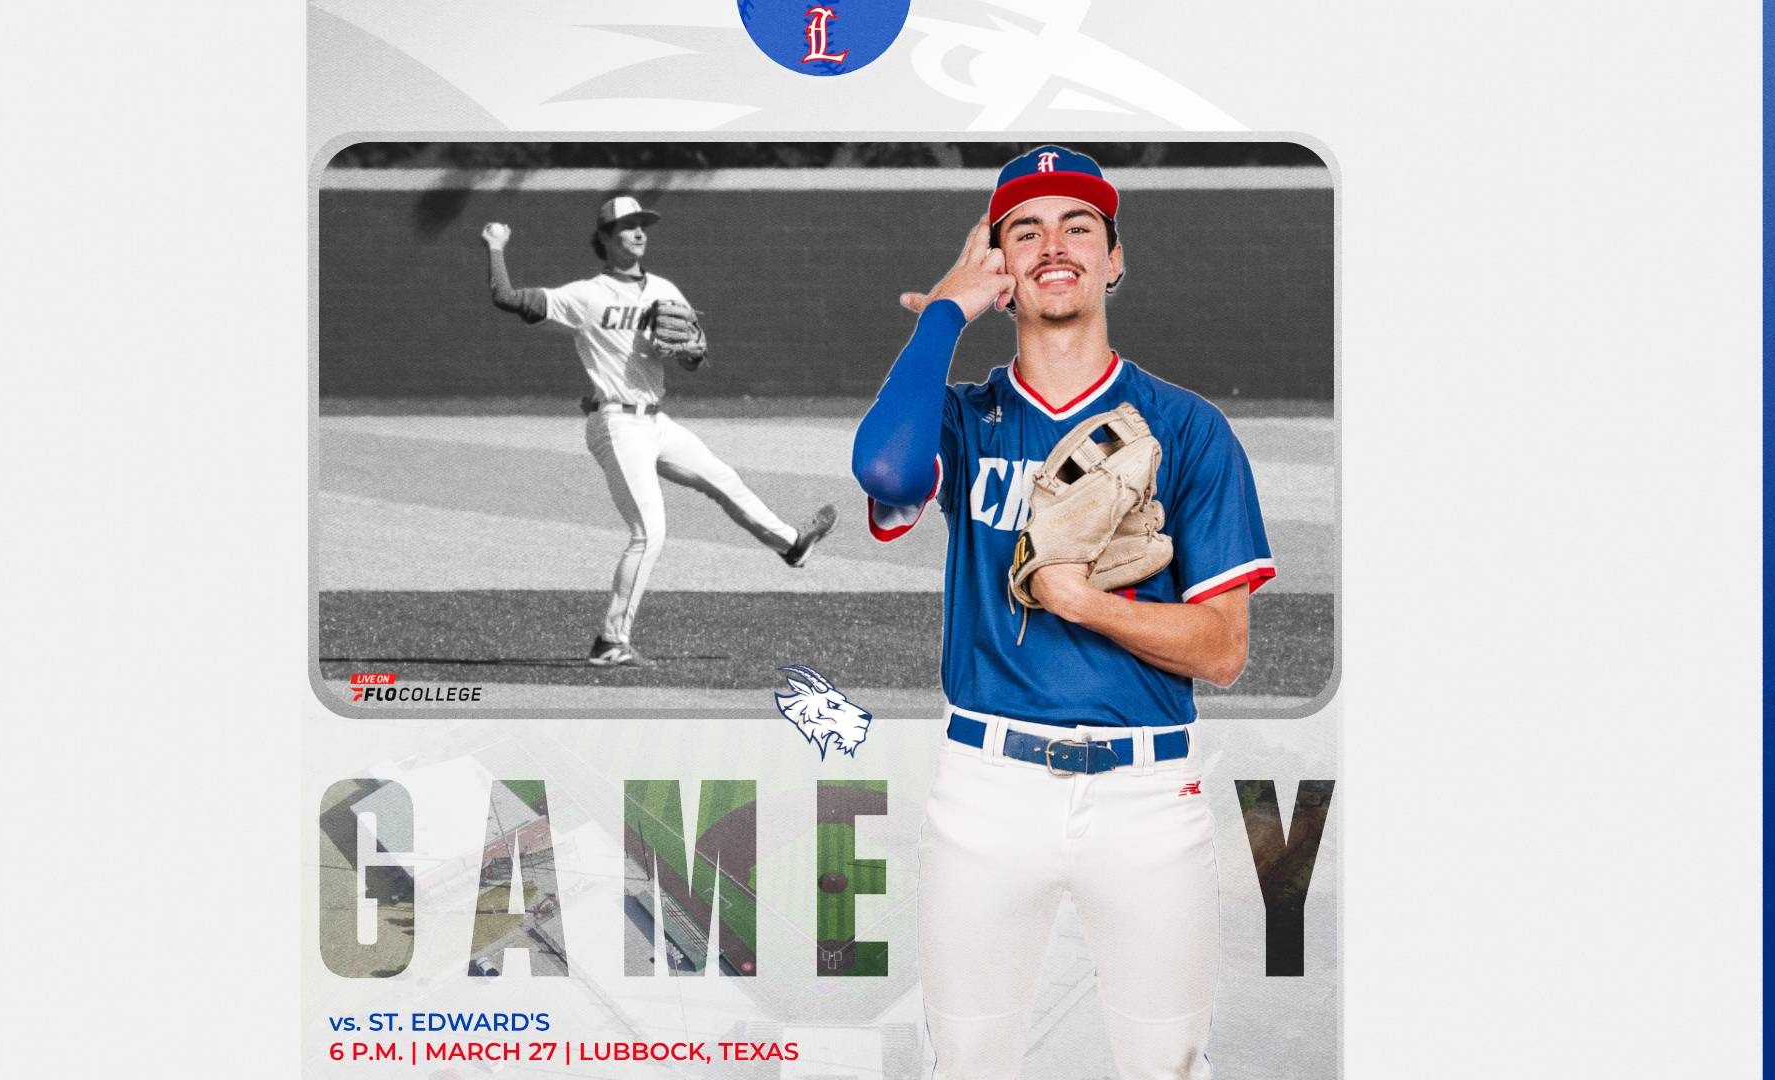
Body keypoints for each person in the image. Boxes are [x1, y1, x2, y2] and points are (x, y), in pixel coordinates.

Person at [850, 146, 1275, 1078]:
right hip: (986, 791)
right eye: (1024, 230)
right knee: (965, 1065)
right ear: (1000, 263)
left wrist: (1083, 602)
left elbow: (1223, 651)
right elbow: (884, 470)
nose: (1054, 245)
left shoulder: (1188, 427)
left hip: (1149, 797)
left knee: (1167, 1068)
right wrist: (947, 315)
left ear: (1114, 257)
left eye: (1078, 225)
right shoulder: (963, 420)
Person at [482, 196, 836, 668]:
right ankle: (611, 642)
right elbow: (505, 298)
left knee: (723, 480)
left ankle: (791, 544)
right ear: (605, 238)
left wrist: (691, 352)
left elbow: (694, 358)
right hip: (616, 423)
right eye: (627, 226)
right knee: (649, 532)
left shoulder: (666, 289)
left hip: (655, 421)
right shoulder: (585, 295)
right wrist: (496, 245)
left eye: (642, 225)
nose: (639, 232)